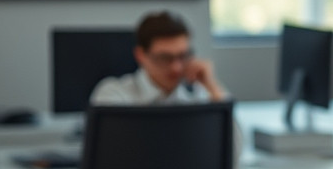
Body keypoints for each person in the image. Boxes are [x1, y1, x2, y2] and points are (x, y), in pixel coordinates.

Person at [90, 11, 229, 105]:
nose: (176, 67)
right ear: (141, 55)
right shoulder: (115, 95)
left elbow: (235, 147)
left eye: (183, 56)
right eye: (164, 58)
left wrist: (213, 87)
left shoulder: (199, 95)